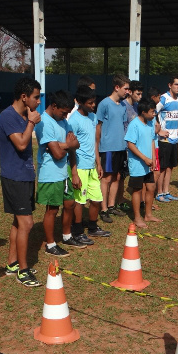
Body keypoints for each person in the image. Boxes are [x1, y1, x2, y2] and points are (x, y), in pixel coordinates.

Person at [0, 77, 42, 287]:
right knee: (27, 223)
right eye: (36, 97)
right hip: (14, 177)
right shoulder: (8, 117)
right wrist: (32, 122)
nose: (38, 102)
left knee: (18, 222)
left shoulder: (23, 116)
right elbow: (22, 144)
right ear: (24, 97)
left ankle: (12, 264)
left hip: (24, 176)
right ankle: (23, 271)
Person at [34, 90, 81, 257]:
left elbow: (76, 144)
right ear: (54, 106)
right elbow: (58, 154)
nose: (65, 116)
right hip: (50, 173)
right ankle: (50, 244)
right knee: (52, 209)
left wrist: (74, 172)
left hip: (65, 172)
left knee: (70, 204)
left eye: (68, 113)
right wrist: (67, 145)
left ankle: (67, 236)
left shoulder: (63, 122)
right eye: (63, 112)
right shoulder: (44, 123)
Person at [67, 85, 111, 243]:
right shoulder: (73, 120)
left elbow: (95, 143)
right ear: (79, 102)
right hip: (79, 167)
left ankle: (92, 227)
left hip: (92, 166)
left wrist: (98, 163)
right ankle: (77, 231)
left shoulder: (93, 118)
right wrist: (74, 173)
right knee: (80, 200)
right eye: (90, 103)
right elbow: (71, 148)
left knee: (97, 198)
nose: (94, 105)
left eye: (94, 102)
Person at [96, 74, 130, 223]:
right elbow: (98, 126)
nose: (127, 92)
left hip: (120, 147)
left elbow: (122, 125)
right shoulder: (104, 104)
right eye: (125, 89)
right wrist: (97, 146)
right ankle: (102, 209)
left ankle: (111, 205)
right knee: (107, 178)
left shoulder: (123, 106)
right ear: (117, 87)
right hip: (108, 148)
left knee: (117, 176)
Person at [125, 97, 162, 228]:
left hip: (148, 164)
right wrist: (144, 159)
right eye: (152, 112)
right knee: (137, 189)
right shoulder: (134, 124)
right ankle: (137, 218)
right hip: (137, 165)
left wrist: (153, 160)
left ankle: (148, 214)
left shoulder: (150, 124)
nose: (154, 114)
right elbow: (130, 144)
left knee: (151, 187)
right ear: (143, 112)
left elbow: (152, 141)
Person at [115, 79, 144, 212]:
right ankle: (118, 201)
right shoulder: (123, 106)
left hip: (133, 147)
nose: (140, 97)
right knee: (120, 176)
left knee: (131, 174)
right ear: (130, 92)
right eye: (137, 94)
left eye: (141, 94)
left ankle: (138, 200)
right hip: (123, 146)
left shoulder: (137, 107)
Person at [155, 75, 178, 202]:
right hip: (164, 140)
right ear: (170, 85)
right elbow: (153, 113)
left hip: (174, 139)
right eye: (176, 84)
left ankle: (166, 191)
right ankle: (159, 193)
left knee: (170, 166)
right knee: (162, 167)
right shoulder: (163, 99)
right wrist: (159, 130)